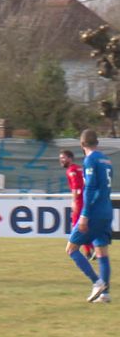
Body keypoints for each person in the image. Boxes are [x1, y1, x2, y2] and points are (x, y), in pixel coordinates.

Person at [66, 129, 113, 303]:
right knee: (101, 252)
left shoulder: (90, 160)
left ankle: (97, 282)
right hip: (107, 210)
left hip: (94, 212)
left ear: (82, 145)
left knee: (71, 249)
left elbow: (90, 189)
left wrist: (84, 215)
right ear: (97, 142)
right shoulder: (106, 160)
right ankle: (105, 294)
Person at [59, 150, 95, 260]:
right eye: (61, 158)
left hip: (79, 201)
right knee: (82, 226)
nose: (61, 160)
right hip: (85, 199)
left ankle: (93, 250)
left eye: (63, 157)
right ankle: (89, 252)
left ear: (70, 158)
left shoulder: (71, 170)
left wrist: (74, 201)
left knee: (78, 226)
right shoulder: (78, 168)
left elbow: (76, 187)